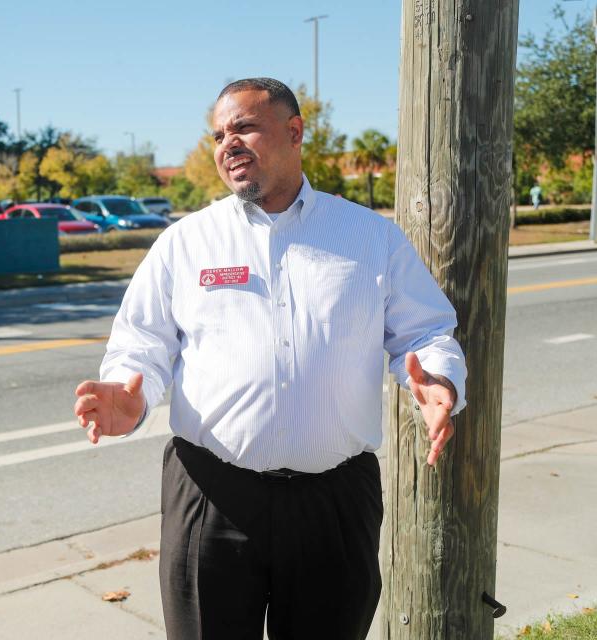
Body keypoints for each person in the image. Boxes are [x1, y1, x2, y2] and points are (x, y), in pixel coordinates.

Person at [73, 78, 467, 640]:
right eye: (218, 134)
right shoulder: (185, 243)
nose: (227, 143)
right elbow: (141, 345)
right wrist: (127, 396)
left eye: (244, 127)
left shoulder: (369, 237)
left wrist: (438, 379)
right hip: (212, 494)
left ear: (294, 131)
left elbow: (425, 329)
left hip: (333, 501)